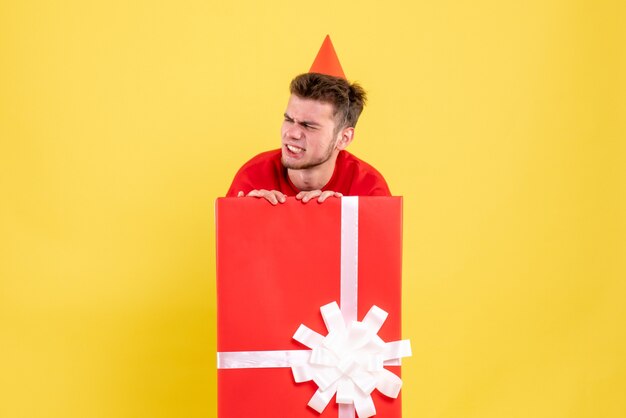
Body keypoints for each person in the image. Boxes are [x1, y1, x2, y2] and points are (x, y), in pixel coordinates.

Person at [226, 38, 390, 204]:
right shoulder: (252, 178)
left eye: (308, 125)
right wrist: (248, 219)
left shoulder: (369, 191)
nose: (292, 133)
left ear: (343, 138)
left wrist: (336, 216)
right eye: (289, 120)